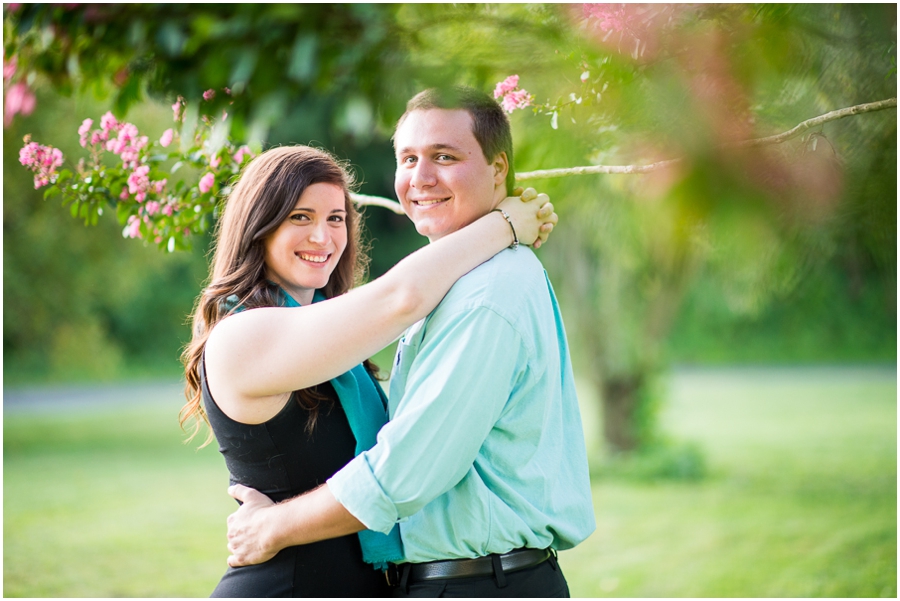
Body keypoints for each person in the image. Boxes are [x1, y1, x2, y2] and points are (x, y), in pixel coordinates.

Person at [225, 87, 596, 598]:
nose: (421, 177)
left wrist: (273, 527)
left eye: (445, 157)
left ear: (498, 169)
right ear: (257, 228)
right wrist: (504, 222)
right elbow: (398, 297)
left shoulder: (484, 294)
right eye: (408, 159)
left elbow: (406, 469)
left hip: (482, 583)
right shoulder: (254, 331)